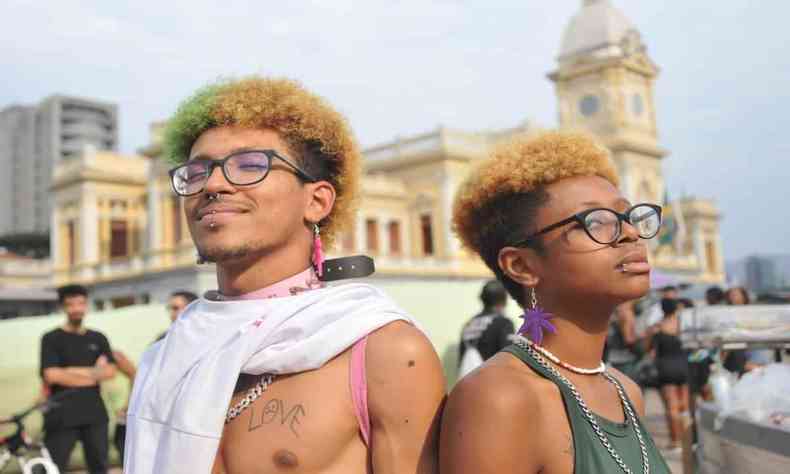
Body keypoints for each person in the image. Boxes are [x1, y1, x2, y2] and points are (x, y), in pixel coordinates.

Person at [124, 77, 445, 474]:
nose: (213, 184)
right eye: (196, 172)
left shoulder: (383, 353)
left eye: (250, 165)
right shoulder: (165, 357)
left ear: (316, 201)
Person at [440, 132, 671, 473]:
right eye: (596, 221)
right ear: (522, 266)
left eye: (627, 216)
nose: (630, 233)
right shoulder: (499, 399)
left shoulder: (625, 390)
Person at [40, 284, 117, 474]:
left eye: (81, 304)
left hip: (95, 413)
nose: (77, 309)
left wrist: (68, 372)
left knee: (100, 467)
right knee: (52, 468)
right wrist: (93, 373)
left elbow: (110, 372)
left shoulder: (98, 338)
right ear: (62, 308)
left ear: (87, 305)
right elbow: (51, 375)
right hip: (62, 414)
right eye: (71, 305)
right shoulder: (51, 339)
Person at [644, 298, 689, 452]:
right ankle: (687, 440)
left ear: (662, 310)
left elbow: (647, 348)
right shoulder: (683, 326)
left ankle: (675, 441)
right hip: (684, 366)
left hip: (666, 368)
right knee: (685, 407)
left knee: (671, 406)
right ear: (676, 309)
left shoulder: (656, 328)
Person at [457, 280, 514, 377]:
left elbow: (461, 361)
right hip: (492, 383)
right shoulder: (503, 323)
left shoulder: (469, 324)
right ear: (503, 300)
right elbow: (508, 360)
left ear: (482, 299)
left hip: (467, 383)